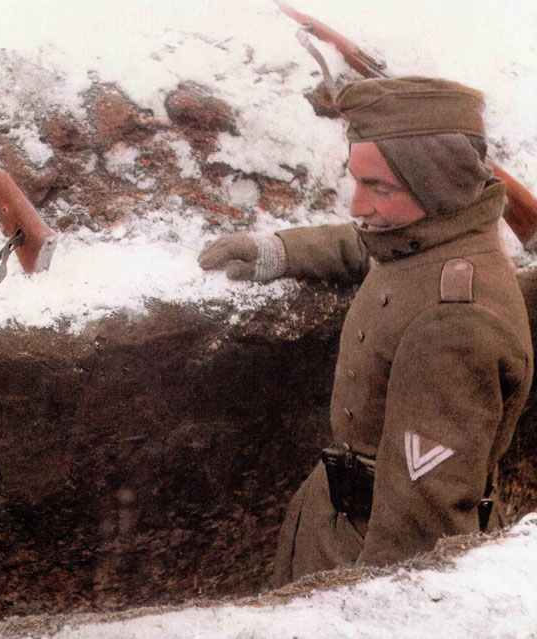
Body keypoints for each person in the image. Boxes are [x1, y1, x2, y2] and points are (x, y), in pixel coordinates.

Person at [199, 77, 534, 586]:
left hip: (369, 554)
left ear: (436, 185)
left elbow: (424, 526)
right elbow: (375, 250)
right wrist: (282, 251)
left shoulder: (454, 323)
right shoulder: (431, 235)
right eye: (357, 181)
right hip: (334, 524)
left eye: (379, 187)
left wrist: (361, 606)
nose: (357, 206)